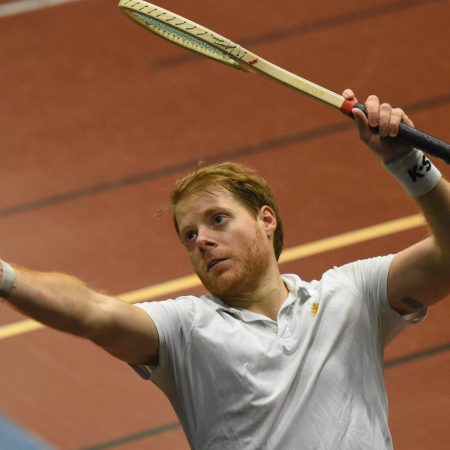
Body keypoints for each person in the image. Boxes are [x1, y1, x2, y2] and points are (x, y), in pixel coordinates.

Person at [1, 89, 449, 450]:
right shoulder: (186, 331)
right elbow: (91, 312)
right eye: (189, 235)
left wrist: (409, 164)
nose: (202, 241)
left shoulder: (351, 295)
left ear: (266, 220)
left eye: (217, 220)